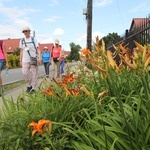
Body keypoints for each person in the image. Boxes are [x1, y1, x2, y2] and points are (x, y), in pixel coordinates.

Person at [19, 26, 41, 94]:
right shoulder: (22, 40)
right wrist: (20, 60)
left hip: (33, 58)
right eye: (24, 31)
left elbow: (38, 48)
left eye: (26, 31)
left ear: (29, 31)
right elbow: (21, 51)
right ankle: (29, 85)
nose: (25, 32)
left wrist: (39, 57)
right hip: (25, 60)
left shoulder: (33, 39)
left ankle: (33, 88)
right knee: (25, 73)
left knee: (34, 74)